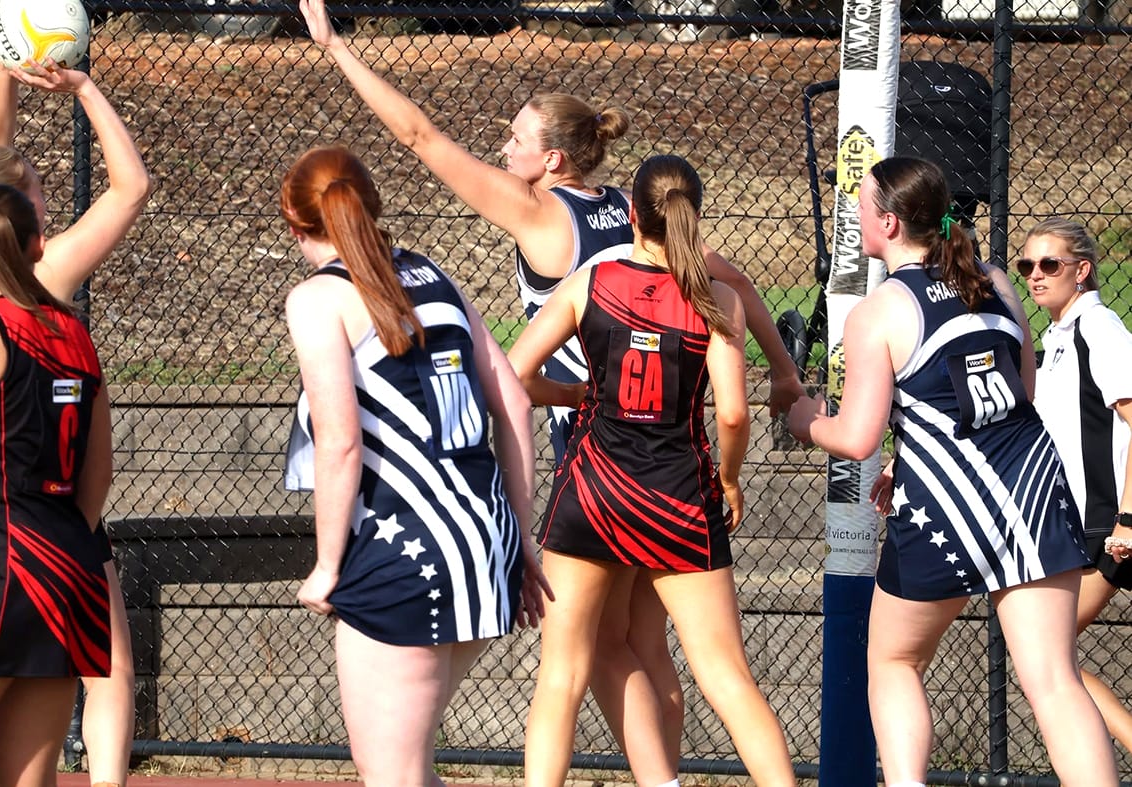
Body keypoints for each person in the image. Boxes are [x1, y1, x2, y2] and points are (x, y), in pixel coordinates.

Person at [297, 2, 805, 780]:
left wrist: (336, 50)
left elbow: (420, 138)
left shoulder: (541, 214)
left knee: (583, 658)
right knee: (651, 649)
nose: (502, 150)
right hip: (674, 465)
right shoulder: (642, 217)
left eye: (514, 140)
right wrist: (782, 371)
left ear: (554, 162)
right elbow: (731, 283)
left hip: (598, 470)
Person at [787, 157, 1118, 787]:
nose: (854, 213)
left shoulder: (881, 309)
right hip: (1031, 485)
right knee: (1053, 680)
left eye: (860, 203)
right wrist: (920, 456)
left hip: (945, 505)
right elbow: (1016, 391)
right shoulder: (994, 277)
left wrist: (806, 420)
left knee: (894, 661)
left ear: (886, 222)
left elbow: (856, 439)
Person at [508, 154, 797, 787]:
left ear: (630, 215)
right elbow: (733, 415)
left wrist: (579, 395)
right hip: (677, 497)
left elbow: (515, 373)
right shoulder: (714, 296)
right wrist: (728, 478)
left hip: (593, 491)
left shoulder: (592, 280)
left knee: (561, 678)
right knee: (725, 676)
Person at [280, 144, 548, 786]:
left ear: (294, 226)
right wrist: (521, 535)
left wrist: (325, 567)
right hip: (486, 541)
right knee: (407, 765)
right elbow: (511, 396)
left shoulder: (319, 299)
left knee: (391, 773)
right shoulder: (431, 273)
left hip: (407, 554)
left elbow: (340, 441)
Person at [0, 61, 150, 787]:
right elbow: (97, 479)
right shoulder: (60, 314)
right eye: (30, 190)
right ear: (26, 232)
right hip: (55, 537)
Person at [0, 184, 113, 787]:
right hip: (67, 565)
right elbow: (98, 476)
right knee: (23, 775)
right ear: (38, 245)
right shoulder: (74, 332)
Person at [1018, 217, 1132, 751]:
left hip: (1108, 525)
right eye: (1026, 266)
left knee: (1048, 660)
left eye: (1050, 265)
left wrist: (1127, 518)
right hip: (1077, 524)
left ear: (1082, 270)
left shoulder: (1096, 329)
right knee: (1050, 662)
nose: (1035, 276)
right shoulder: (1058, 336)